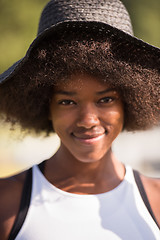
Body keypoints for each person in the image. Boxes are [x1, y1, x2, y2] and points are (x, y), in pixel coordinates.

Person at [0, 0, 160, 239]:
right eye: (67, 102)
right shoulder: (6, 203)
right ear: (46, 105)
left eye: (105, 100)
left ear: (129, 101)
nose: (88, 120)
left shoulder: (155, 202)